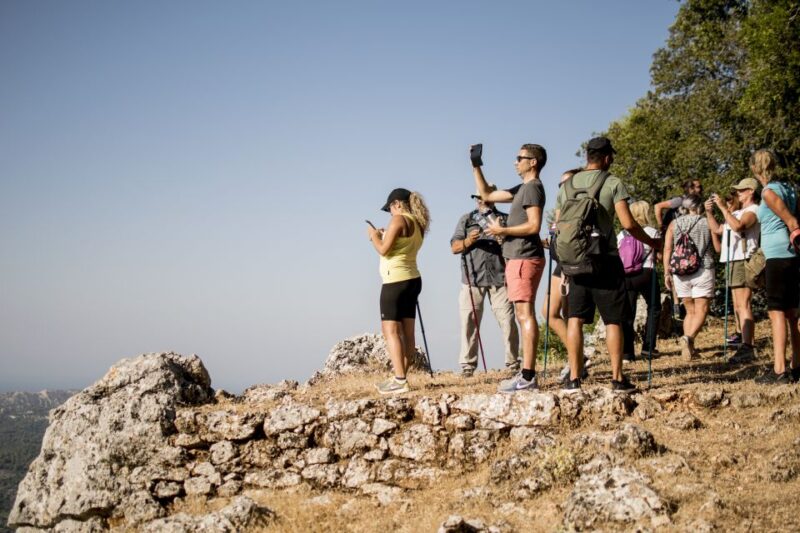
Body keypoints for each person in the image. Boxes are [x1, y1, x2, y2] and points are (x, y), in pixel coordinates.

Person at [555, 137, 660, 392]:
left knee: (575, 319)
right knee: (613, 319)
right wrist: (653, 243)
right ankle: (617, 378)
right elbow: (628, 223)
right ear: (605, 157)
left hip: (575, 258)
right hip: (605, 258)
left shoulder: (567, 185)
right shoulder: (612, 182)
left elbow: (559, 225)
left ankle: (574, 378)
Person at [471, 143, 547, 392]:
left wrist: (502, 230)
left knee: (525, 315)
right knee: (522, 314)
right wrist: (476, 165)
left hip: (525, 257)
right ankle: (526, 374)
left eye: (520, 158)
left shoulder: (533, 188)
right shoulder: (523, 188)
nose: (515, 162)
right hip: (517, 258)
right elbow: (487, 195)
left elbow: (534, 226)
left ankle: (527, 376)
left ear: (533, 162)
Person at [450, 186, 520, 377]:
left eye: (485, 198)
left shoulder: (504, 219)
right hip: (471, 279)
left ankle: (513, 364)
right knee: (468, 323)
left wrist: (501, 237)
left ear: (494, 199)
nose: (481, 201)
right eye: (478, 198)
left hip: (500, 278)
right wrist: (468, 241)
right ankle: (467, 366)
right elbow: (454, 247)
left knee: (508, 321)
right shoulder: (467, 220)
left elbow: (515, 247)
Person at [367, 188, 430, 394]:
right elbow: (400, 246)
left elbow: (383, 249)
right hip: (412, 279)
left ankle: (400, 380)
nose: (390, 213)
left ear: (397, 204)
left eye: (390, 209)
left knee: (391, 332)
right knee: (408, 333)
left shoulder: (398, 220)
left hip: (395, 281)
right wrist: (386, 237)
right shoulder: (418, 223)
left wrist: (374, 236)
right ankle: (399, 376)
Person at [751, 149, 800, 384]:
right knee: (791, 313)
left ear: (755, 168)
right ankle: (796, 364)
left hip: (778, 255)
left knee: (776, 312)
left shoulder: (769, 192)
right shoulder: (789, 188)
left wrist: (793, 228)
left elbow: (791, 220)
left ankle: (779, 369)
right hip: (790, 255)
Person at [704, 179, 760, 363]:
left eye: (741, 191)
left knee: (743, 304)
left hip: (743, 259)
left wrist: (722, 208)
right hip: (732, 260)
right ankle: (745, 343)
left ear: (751, 191)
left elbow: (738, 226)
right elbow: (718, 229)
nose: (738, 194)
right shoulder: (736, 212)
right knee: (737, 306)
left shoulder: (753, 210)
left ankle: (748, 346)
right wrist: (709, 212)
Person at [663, 195, 714, 361]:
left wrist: (666, 272)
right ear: (699, 207)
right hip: (703, 268)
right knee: (702, 310)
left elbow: (667, 249)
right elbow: (718, 246)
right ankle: (689, 338)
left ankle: (690, 348)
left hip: (680, 271)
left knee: (690, 312)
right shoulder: (706, 222)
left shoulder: (674, 223)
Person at [618, 201, 661, 363]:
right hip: (647, 272)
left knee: (628, 313)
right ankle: (648, 348)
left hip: (627, 275)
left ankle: (627, 353)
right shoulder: (652, 231)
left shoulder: (622, 234)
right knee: (654, 308)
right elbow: (659, 255)